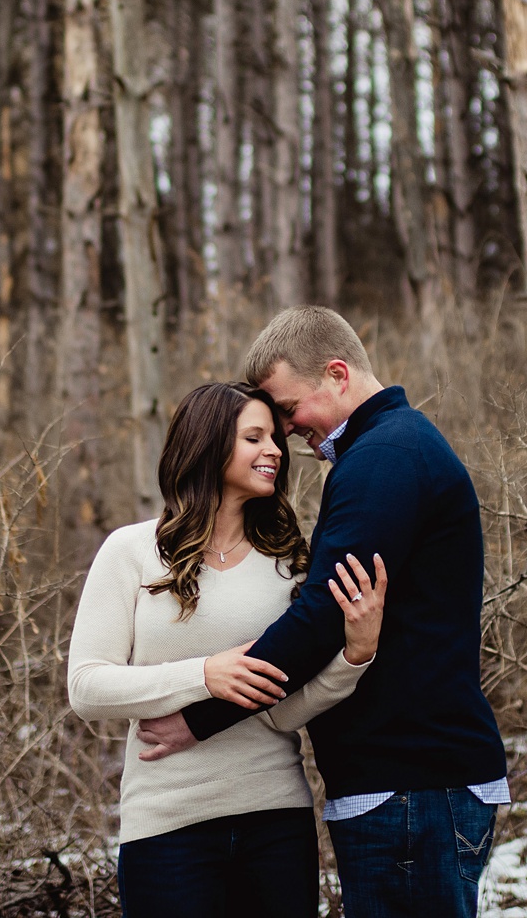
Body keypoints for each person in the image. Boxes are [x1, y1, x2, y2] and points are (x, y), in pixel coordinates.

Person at [135, 307, 507, 918]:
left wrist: (200, 717)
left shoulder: (384, 457)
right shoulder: (390, 449)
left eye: (286, 410)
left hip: (410, 784)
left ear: (337, 374)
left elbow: (319, 617)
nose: (283, 433)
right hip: (410, 784)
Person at [67, 380, 389, 918]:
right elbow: (87, 687)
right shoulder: (131, 552)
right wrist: (204, 675)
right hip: (166, 827)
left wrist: (354, 655)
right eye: (254, 437)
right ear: (208, 445)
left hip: (276, 821)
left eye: (275, 438)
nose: (274, 450)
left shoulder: (290, 561)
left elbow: (283, 711)